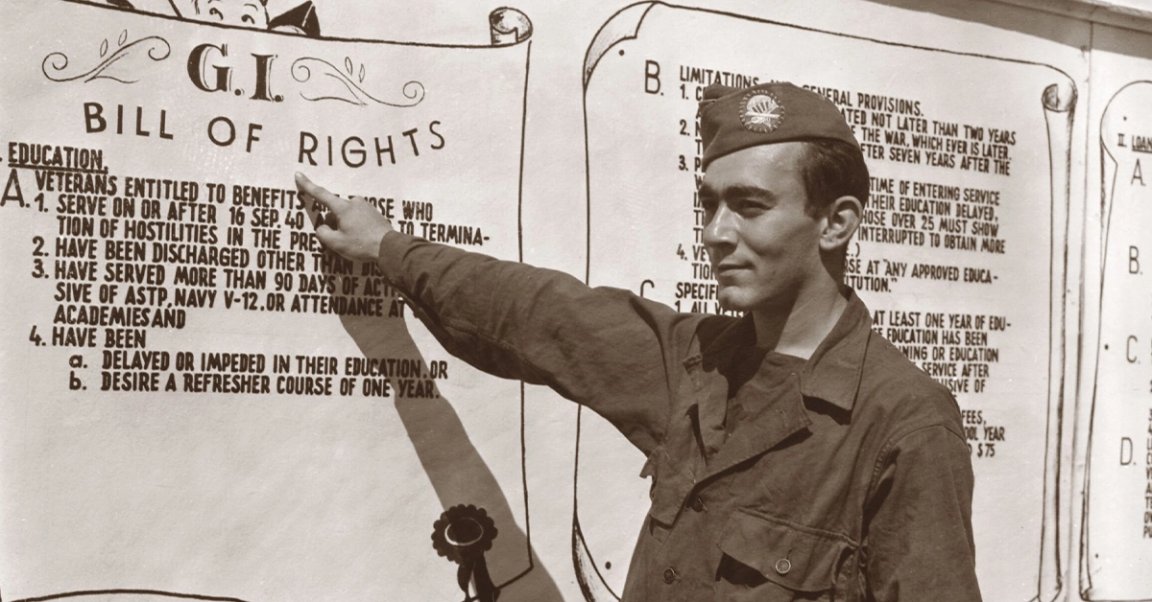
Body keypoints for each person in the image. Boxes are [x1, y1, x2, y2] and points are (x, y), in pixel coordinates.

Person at [293, 82, 980, 601]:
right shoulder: (700, 361)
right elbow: (536, 311)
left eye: (749, 206)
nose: (715, 233)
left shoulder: (903, 424)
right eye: (709, 205)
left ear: (836, 223)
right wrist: (385, 246)